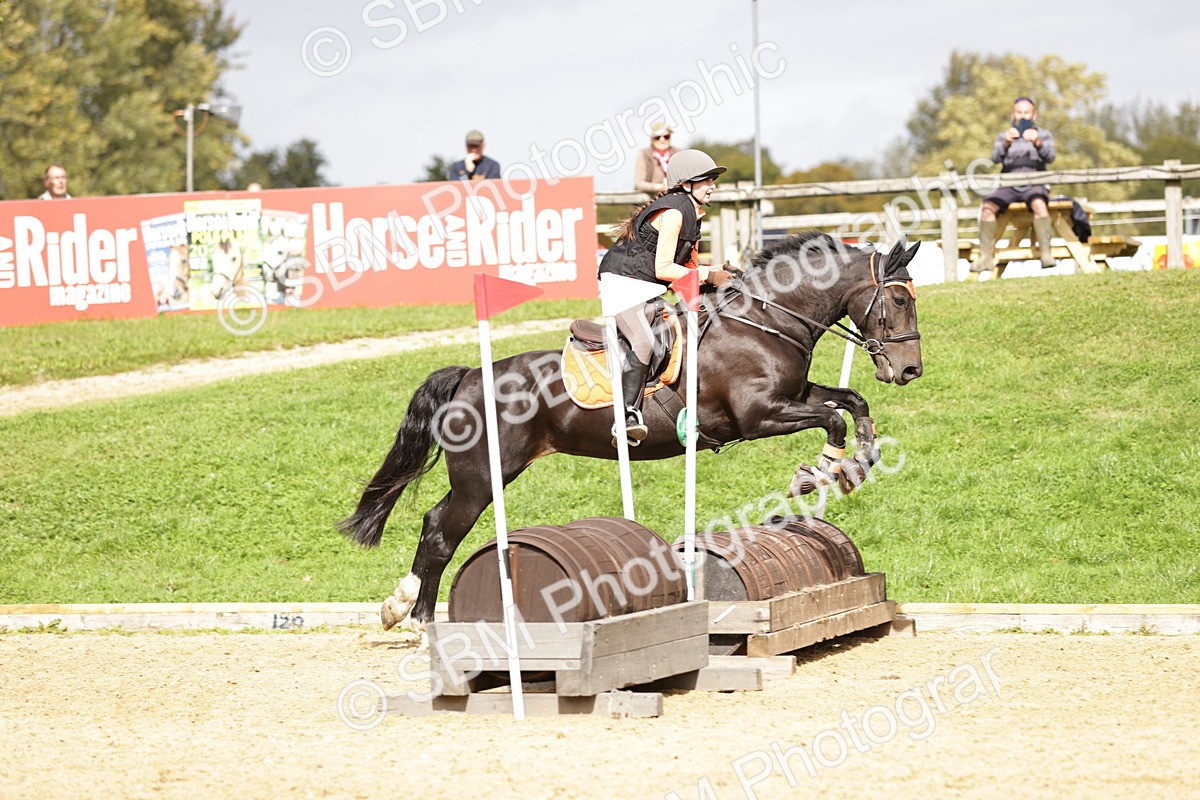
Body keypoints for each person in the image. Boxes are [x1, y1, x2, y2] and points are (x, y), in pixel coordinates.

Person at [599, 149, 735, 446]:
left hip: (648, 285)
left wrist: (717, 271)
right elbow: (663, 267)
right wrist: (709, 275)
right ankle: (627, 416)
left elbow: (685, 268)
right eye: (706, 180)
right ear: (686, 184)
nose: (712, 185)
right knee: (644, 341)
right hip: (623, 283)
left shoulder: (692, 212)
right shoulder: (674, 213)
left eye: (713, 180)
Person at [974, 97, 1057, 273]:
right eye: (1019, 112)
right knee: (987, 208)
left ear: (1034, 115)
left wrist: (1037, 143)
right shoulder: (1004, 136)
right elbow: (995, 158)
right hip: (1008, 184)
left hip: (1034, 182)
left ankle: (1046, 253)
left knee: (1039, 205)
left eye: (1026, 112)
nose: (1022, 115)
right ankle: (985, 257)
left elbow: (1050, 157)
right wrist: (1006, 143)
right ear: (1013, 115)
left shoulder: (1044, 135)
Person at [633, 121, 678, 193]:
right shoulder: (644, 154)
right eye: (658, 137)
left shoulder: (678, 153)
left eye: (666, 137)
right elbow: (639, 183)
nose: (662, 139)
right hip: (649, 200)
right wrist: (660, 187)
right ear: (652, 139)